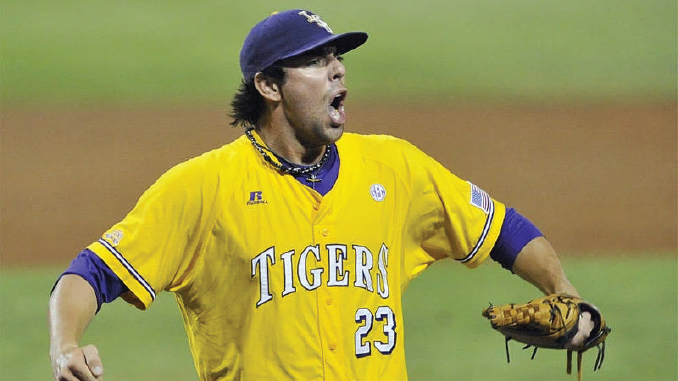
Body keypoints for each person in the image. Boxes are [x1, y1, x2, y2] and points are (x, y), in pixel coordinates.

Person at [49, 9, 593, 381]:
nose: (336, 68)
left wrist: (562, 289)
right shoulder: (202, 188)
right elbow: (89, 274)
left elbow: (500, 228)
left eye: (336, 56)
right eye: (314, 60)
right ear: (268, 86)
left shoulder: (393, 165)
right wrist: (66, 345)